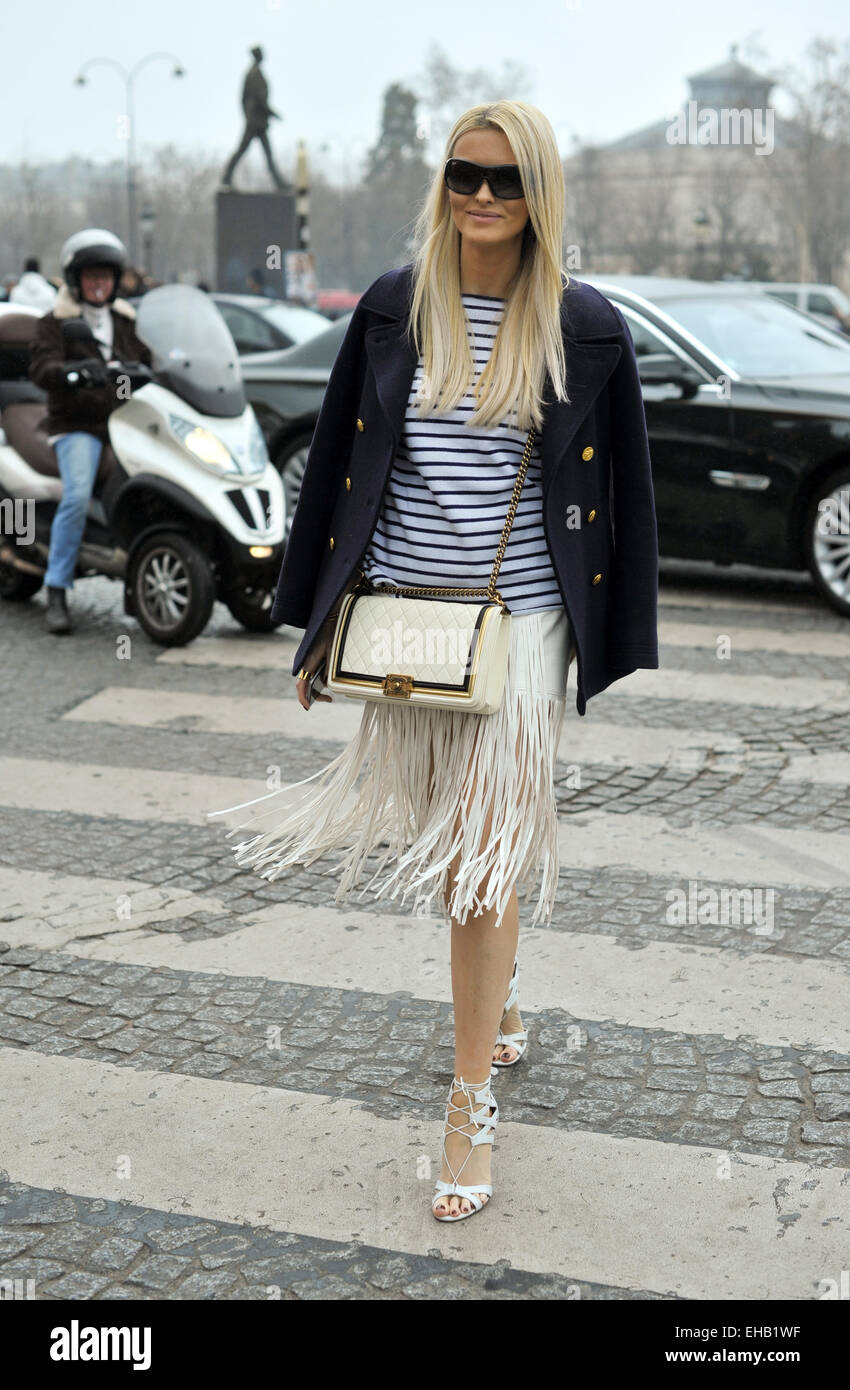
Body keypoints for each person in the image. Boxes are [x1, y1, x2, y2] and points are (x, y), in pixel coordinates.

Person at [208, 100, 659, 1223]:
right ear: (443, 181)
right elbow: (341, 479)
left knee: (475, 862)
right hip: (406, 618)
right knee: (452, 842)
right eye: (465, 174)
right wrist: (314, 621)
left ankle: (467, 1104)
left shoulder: (584, 327)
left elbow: (626, 498)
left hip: (522, 623)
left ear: (538, 193)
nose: (482, 198)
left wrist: (614, 641)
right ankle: (498, 1008)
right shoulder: (391, 311)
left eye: (505, 181)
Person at [28, 228, 152, 635]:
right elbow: (41, 368)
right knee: (77, 495)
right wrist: (73, 372)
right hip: (76, 425)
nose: (98, 284)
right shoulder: (56, 322)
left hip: (122, 424)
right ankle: (57, 589)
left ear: (115, 282)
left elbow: (149, 360)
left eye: (105, 277)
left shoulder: (124, 321)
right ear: (76, 280)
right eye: (90, 277)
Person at [220, 45, 288, 191]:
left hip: (258, 121)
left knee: (264, 153)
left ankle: (279, 182)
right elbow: (258, 99)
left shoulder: (255, 73)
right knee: (245, 150)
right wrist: (272, 113)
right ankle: (227, 177)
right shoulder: (253, 74)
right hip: (255, 122)